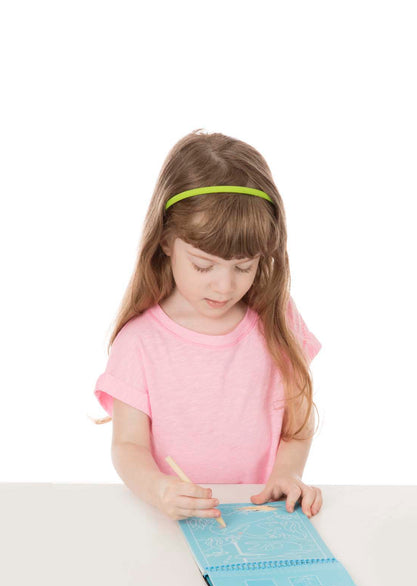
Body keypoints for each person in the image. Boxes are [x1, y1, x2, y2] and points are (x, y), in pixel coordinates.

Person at [93, 129, 323, 522]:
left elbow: (297, 422)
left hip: (258, 520)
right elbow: (128, 446)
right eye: (203, 266)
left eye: (244, 267)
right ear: (166, 240)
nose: (224, 286)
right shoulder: (140, 342)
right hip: (170, 524)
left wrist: (288, 474)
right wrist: (159, 489)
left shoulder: (276, 318)